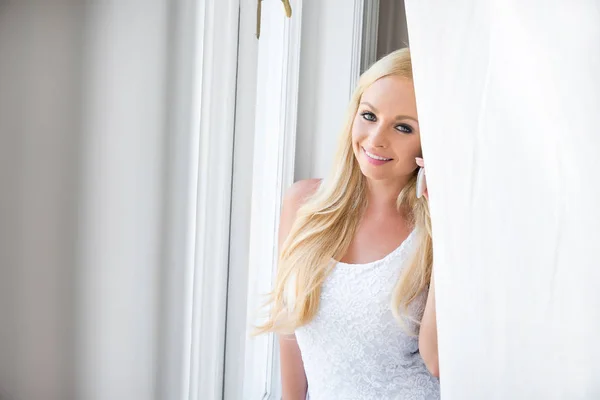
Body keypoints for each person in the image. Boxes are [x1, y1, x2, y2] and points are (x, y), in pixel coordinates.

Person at [255, 48, 440, 399]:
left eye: (403, 127)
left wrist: (446, 224)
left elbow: (436, 362)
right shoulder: (302, 205)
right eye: (369, 115)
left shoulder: (433, 235)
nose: (376, 139)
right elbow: (290, 329)